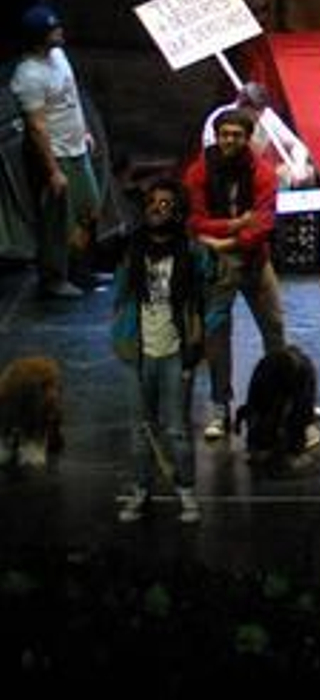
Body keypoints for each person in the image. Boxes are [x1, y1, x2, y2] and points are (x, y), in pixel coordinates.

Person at [112, 178, 217, 524]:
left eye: (167, 203)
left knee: (177, 430)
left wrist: (199, 338)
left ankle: (186, 492)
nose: (159, 208)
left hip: (175, 351)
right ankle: (140, 491)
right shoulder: (133, 250)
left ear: (177, 210)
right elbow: (119, 294)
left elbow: (208, 297)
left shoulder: (192, 252)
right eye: (153, 203)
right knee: (140, 429)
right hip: (138, 352)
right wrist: (120, 333)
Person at [184, 107, 287, 441]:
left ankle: (284, 393)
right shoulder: (199, 171)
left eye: (237, 135)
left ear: (247, 138)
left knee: (274, 329)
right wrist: (232, 225)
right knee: (216, 339)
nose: (230, 140)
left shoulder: (263, 172)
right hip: (215, 266)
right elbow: (194, 221)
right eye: (225, 133)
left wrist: (224, 240)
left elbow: (263, 223)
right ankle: (219, 405)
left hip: (253, 261)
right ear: (217, 135)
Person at [10, 3, 99, 298]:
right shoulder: (28, 75)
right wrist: (52, 171)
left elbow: (71, 97)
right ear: (39, 37)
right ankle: (54, 278)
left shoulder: (59, 56)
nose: (60, 31)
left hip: (76, 148)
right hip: (56, 155)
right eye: (53, 29)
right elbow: (36, 127)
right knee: (57, 220)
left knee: (89, 208)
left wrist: (84, 130)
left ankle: (80, 271)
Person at [201, 81, 315, 188]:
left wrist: (299, 167)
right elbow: (212, 157)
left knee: (307, 173)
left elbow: (296, 145)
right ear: (240, 106)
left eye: (259, 114)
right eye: (251, 114)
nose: (256, 119)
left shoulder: (267, 116)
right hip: (228, 172)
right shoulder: (220, 118)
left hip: (261, 171)